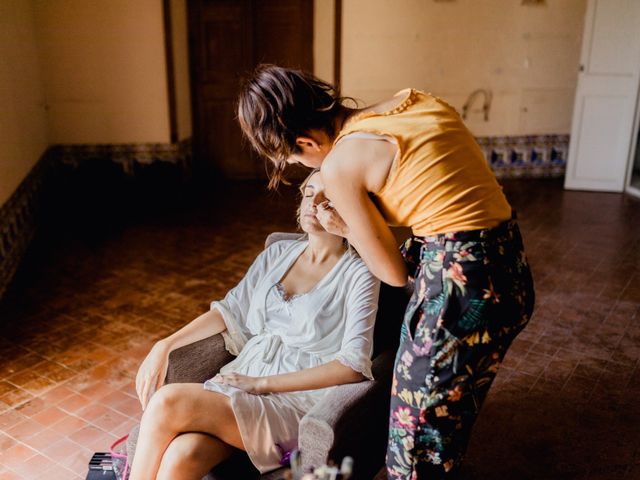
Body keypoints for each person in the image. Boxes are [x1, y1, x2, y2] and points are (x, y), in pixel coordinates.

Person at [237, 64, 535, 479]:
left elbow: (393, 274)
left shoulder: (340, 164)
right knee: (450, 414)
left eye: (296, 160)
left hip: (461, 292)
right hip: (510, 268)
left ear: (306, 141)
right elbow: (434, 192)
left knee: (413, 447)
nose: (306, 171)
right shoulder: (412, 100)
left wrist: (345, 226)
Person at [129, 170, 380, 480]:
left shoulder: (360, 273)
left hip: (297, 405)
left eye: (327, 198)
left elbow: (353, 366)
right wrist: (163, 345)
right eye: (308, 192)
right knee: (184, 455)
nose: (313, 203)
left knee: (167, 401)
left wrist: (261, 385)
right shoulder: (276, 254)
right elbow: (229, 311)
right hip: (241, 387)